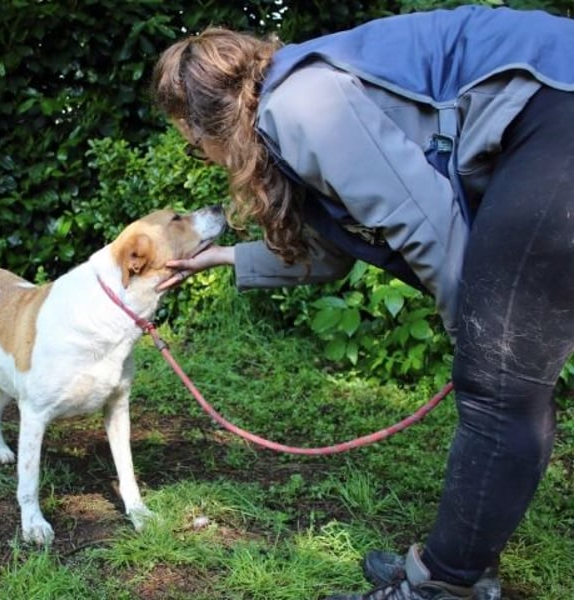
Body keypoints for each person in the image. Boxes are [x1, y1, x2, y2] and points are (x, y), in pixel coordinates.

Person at [151, 4, 574, 600]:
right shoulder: (295, 113)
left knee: (498, 380)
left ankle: (442, 586)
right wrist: (220, 257)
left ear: (211, 124)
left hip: (556, 107)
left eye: (196, 148)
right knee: (499, 378)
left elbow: (428, 225)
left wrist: (478, 342)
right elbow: (329, 255)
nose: (207, 160)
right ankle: (461, 565)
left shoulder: (301, 106)